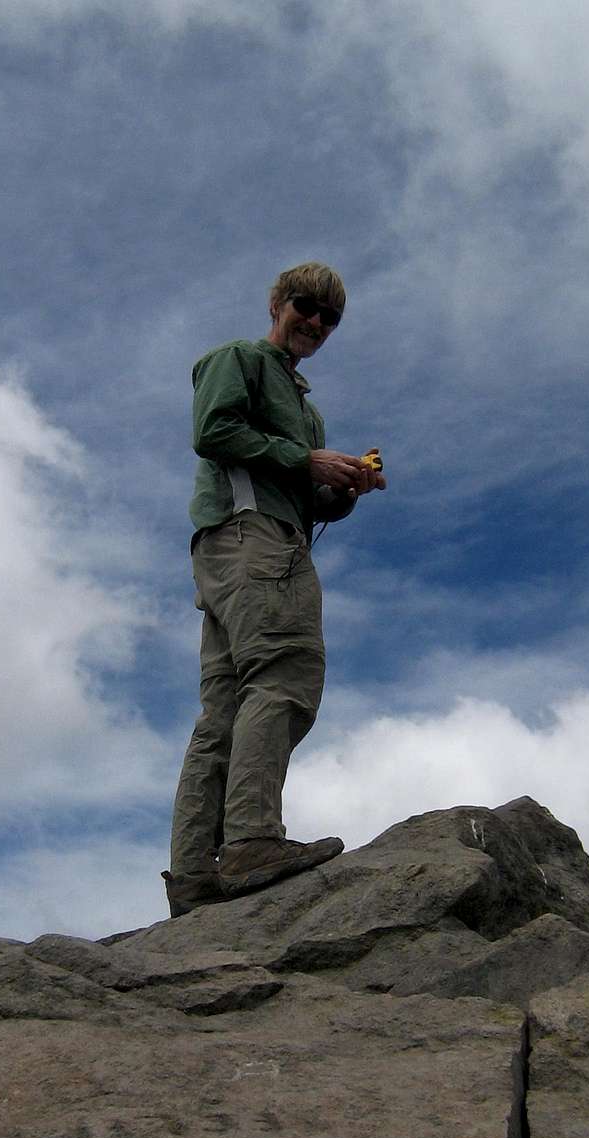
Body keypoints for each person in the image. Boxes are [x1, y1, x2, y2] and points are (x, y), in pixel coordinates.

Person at [163, 262, 386, 917]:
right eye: (305, 306)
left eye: (329, 317)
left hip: (248, 541)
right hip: (249, 537)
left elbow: (309, 500)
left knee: (225, 711)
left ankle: (193, 875)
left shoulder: (306, 413)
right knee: (285, 671)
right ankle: (253, 841)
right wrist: (305, 460)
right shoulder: (239, 360)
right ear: (276, 303)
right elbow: (212, 431)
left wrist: (340, 490)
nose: (315, 321)